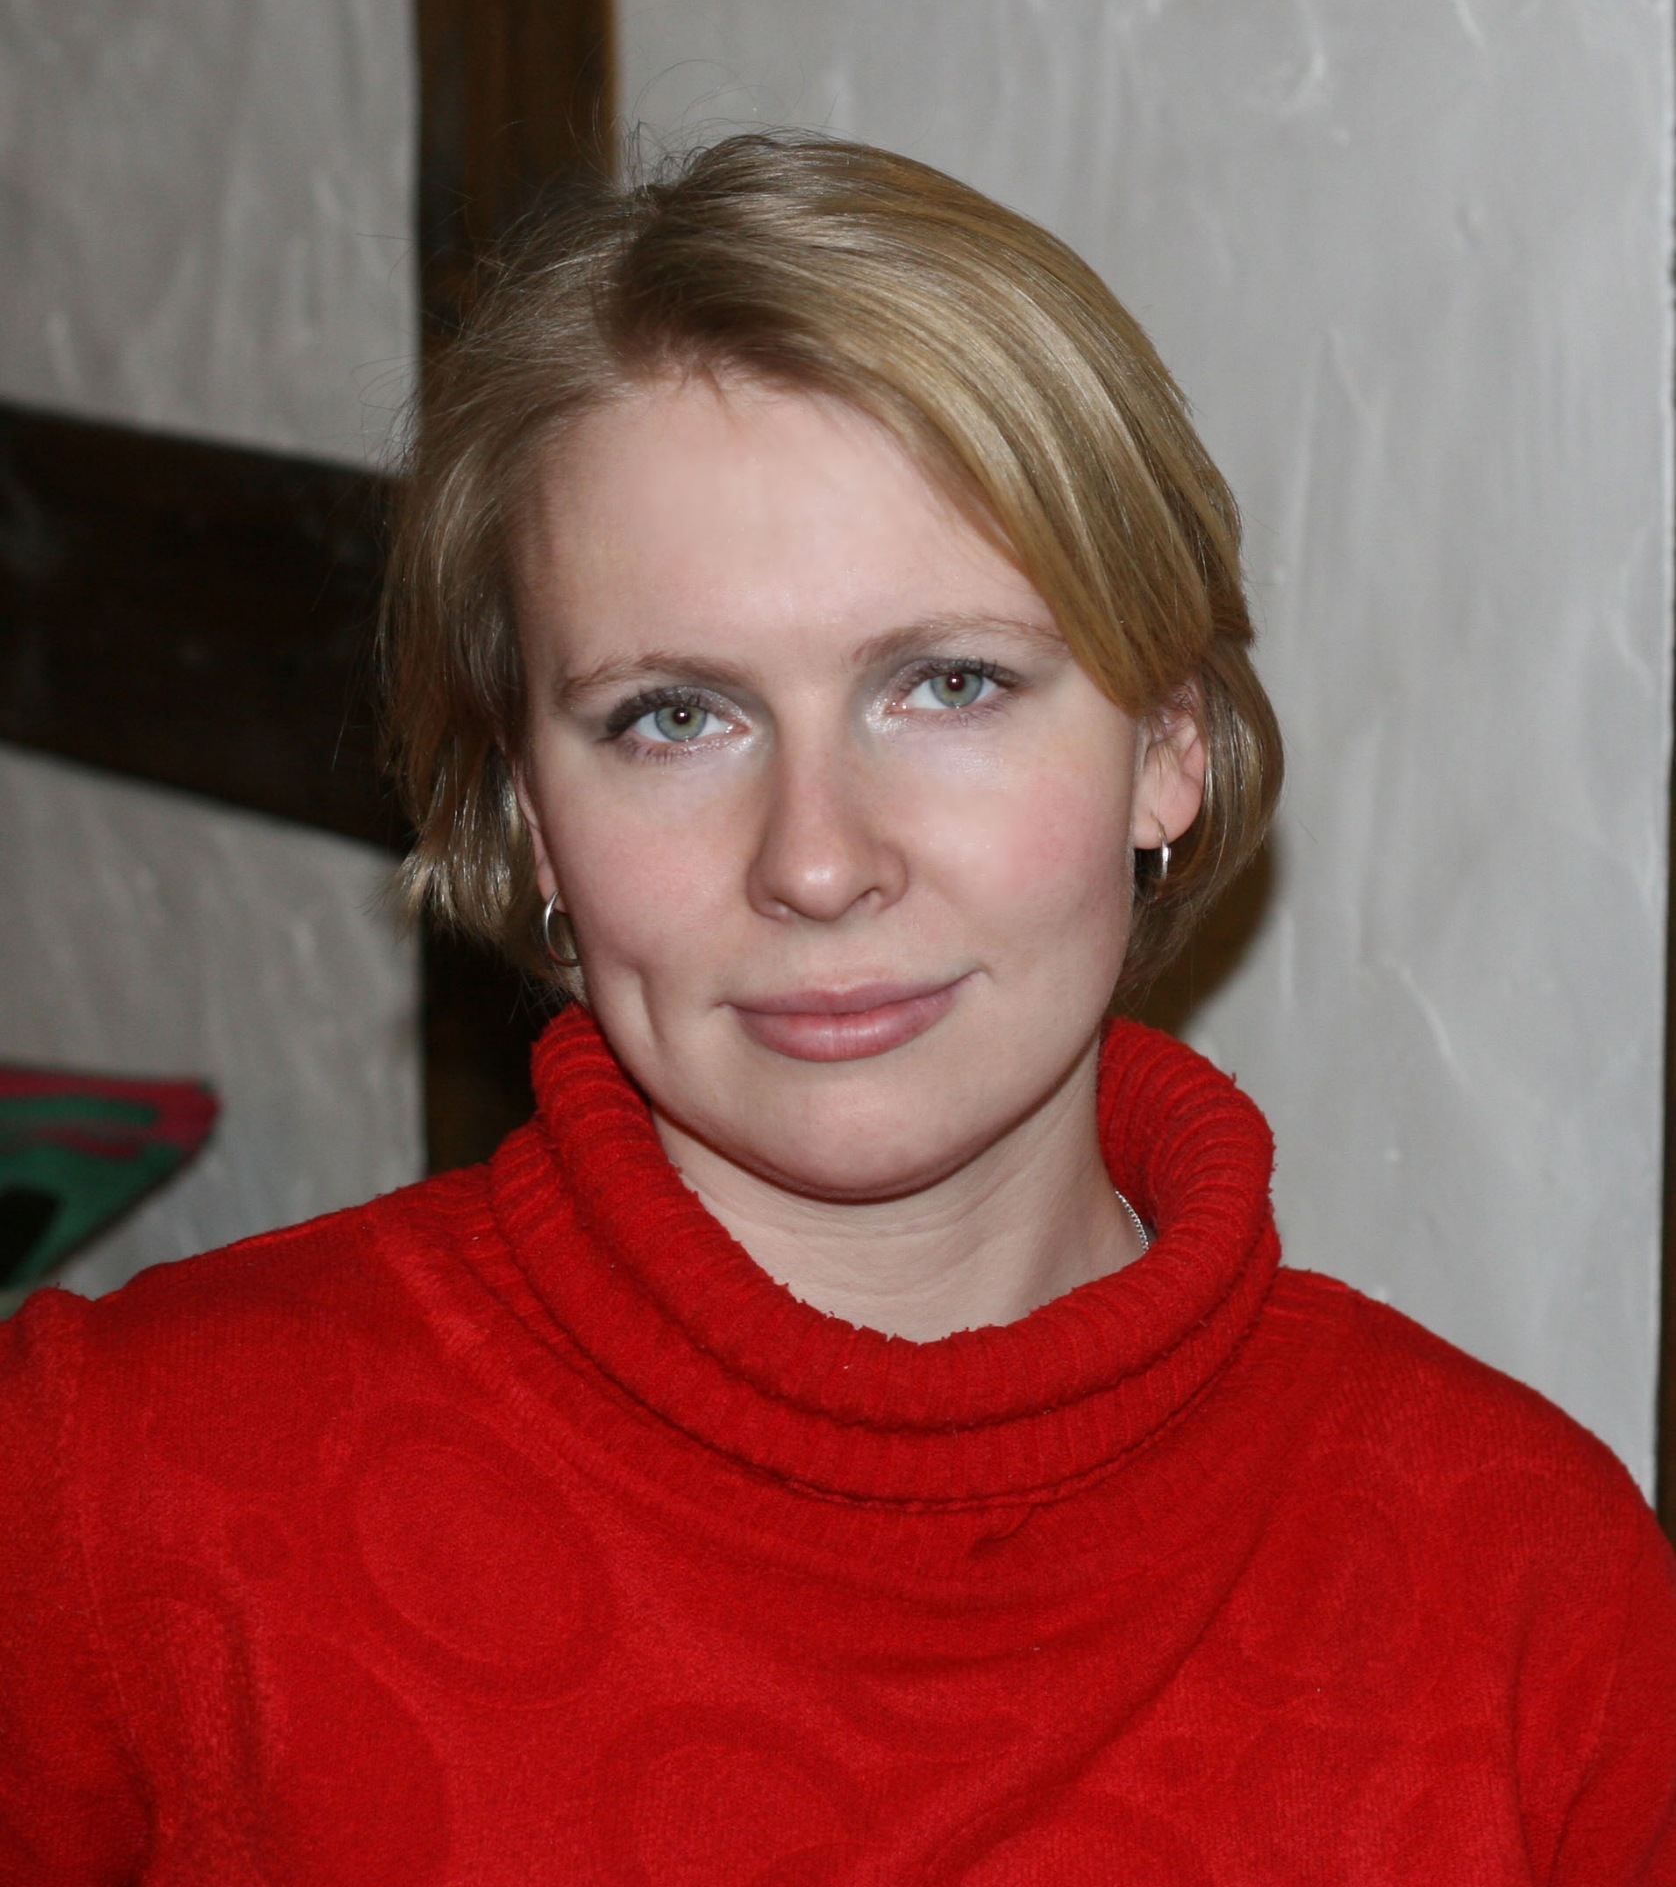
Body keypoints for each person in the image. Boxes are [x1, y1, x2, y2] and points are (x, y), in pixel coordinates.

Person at [3, 134, 1673, 1884]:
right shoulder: (124, 1504)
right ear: (532, 817)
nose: (815, 863)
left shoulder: (1518, 1587)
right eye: (673, 717)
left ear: (1168, 746)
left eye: (949, 685)